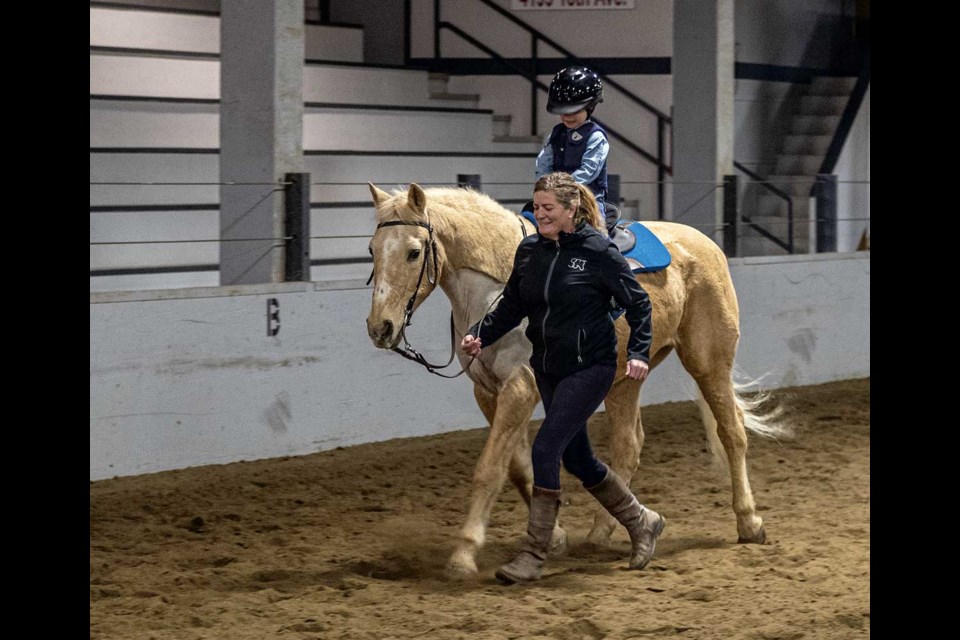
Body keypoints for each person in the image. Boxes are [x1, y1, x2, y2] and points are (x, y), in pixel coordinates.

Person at [461, 172, 665, 585]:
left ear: (571, 210)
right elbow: (513, 304)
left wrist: (640, 352)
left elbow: (639, 304)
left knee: (546, 448)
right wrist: (480, 335)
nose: (540, 215)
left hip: (591, 366)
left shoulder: (598, 252)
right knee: (578, 459)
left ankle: (534, 553)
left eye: (548, 209)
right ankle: (642, 520)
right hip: (549, 367)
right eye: (536, 208)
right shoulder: (531, 250)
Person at [521, 66, 618, 236]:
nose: (567, 116)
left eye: (575, 110)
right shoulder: (556, 133)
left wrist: (561, 189)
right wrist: (544, 188)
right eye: (562, 111)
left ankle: (606, 257)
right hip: (553, 197)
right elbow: (544, 163)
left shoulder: (595, 137)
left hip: (587, 199)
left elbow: (589, 171)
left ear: (590, 107)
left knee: (597, 235)